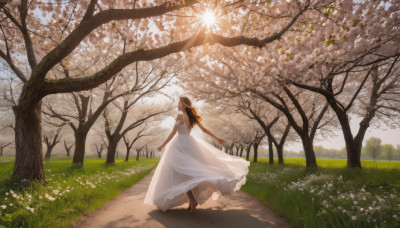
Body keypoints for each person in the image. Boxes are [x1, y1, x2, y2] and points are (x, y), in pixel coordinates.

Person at [144, 96, 250, 214]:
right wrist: (217, 138)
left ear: (184, 105)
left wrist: (162, 145)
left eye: (179, 103)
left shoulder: (179, 115)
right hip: (189, 143)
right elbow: (204, 130)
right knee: (189, 174)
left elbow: (173, 132)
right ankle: (192, 201)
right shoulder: (192, 117)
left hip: (179, 145)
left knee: (183, 175)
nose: (177, 105)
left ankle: (192, 200)